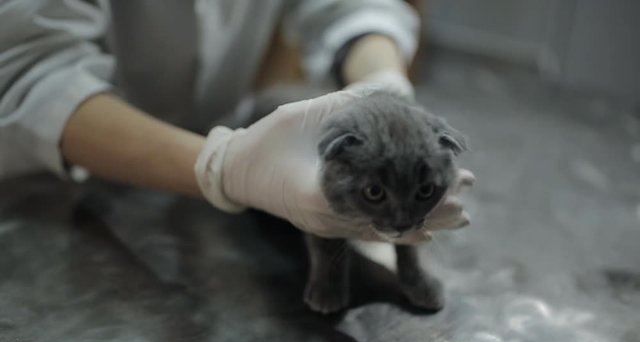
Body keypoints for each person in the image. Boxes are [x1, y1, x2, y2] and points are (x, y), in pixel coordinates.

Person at [0, 0, 474, 242]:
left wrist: (382, 78)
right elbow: (30, 75)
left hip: (213, 210)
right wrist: (223, 165)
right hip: (44, 202)